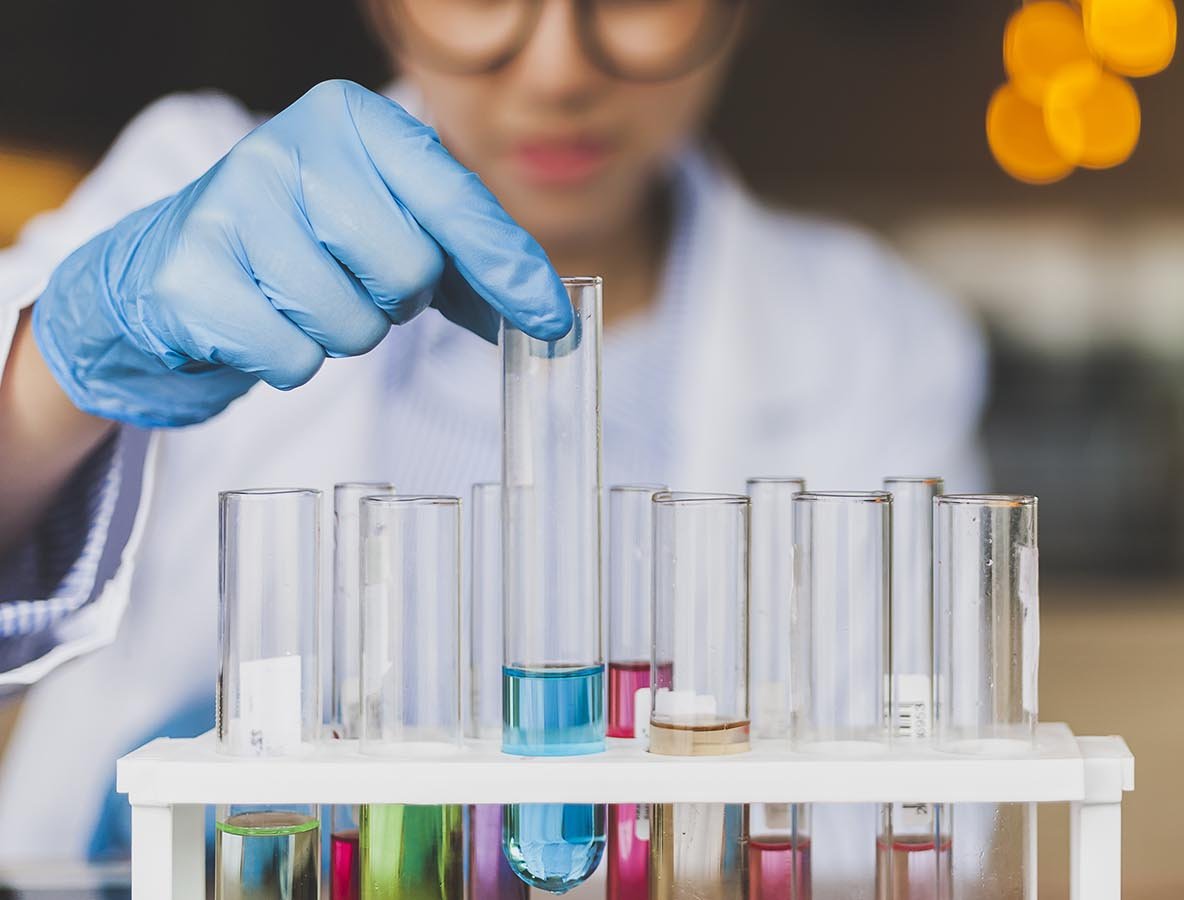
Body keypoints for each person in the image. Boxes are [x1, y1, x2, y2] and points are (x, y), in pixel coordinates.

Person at [0, 0, 986, 862]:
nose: (557, 70)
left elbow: (889, 825)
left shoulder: (874, 341)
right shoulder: (195, 189)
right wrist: (51, 376)